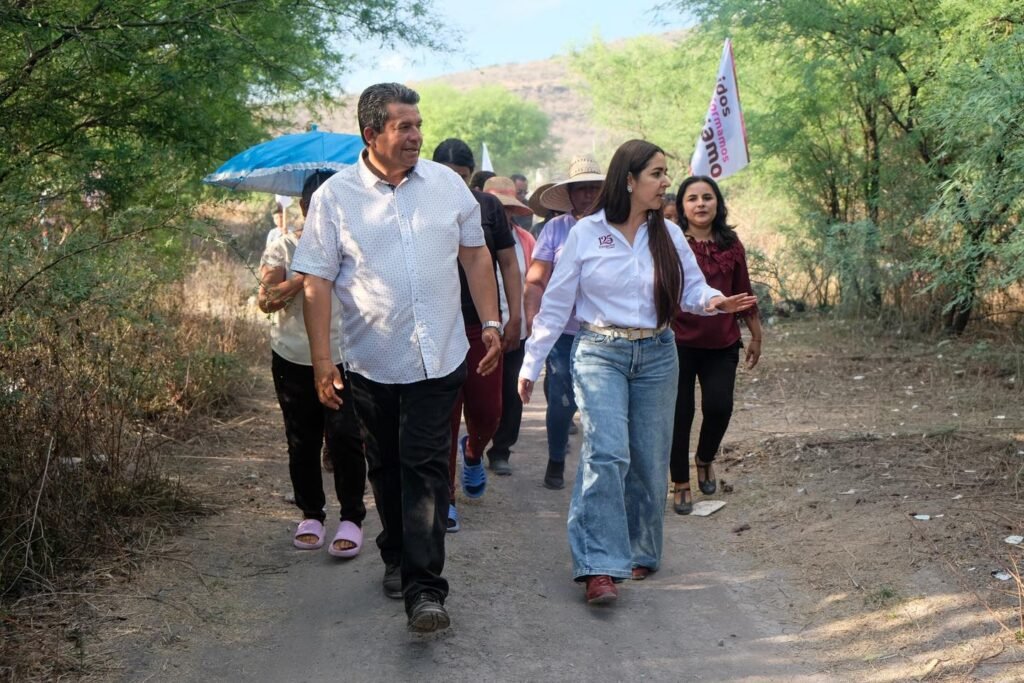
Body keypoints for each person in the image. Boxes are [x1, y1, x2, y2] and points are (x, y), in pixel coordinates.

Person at [292, 82, 502, 633]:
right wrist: (320, 363)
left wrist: (494, 322)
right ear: (372, 135)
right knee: (386, 467)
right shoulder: (336, 198)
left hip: (442, 356)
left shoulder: (448, 188)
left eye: (418, 124)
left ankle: (425, 590)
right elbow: (314, 282)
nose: (416, 136)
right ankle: (394, 553)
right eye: (403, 127)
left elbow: (476, 257)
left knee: (427, 468)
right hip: (371, 361)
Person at [518, 139, 756, 606]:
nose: (667, 182)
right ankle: (598, 565)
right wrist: (532, 363)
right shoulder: (586, 234)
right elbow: (556, 304)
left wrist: (714, 302)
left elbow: (692, 289)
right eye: (657, 174)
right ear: (629, 180)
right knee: (607, 453)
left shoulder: (667, 235)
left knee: (648, 458)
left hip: (658, 352)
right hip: (600, 351)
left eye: (666, 174)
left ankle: (640, 549)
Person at [258, 171, 366, 558]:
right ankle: (312, 515)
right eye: (315, 205)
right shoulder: (283, 247)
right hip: (293, 358)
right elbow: (266, 300)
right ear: (305, 208)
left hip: (346, 356)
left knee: (346, 439)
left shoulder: (355, 246)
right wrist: (303, 276)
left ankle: (352, 517)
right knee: (301, 440)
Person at [431, 139, 521, 532]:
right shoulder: (419, 204)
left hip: (480, 327)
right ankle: (446, 497)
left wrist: (513, 315)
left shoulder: (487, 207)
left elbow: (507, 261)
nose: (455, 184)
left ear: (471, 178)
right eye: (448, 176)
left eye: (463, 178)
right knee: (444, 418)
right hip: (436, 326)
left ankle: (473, 451)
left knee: (489, 414)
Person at [669, 176, 763, 514]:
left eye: (707, 197)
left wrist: (756, 333)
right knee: (680, 415)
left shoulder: (731, 243)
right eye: (692, 198)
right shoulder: (672, 242)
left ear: (718, 203)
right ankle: (679, 481)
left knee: (720, 406)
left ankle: (705, 458)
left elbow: (743, 290)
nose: (700, 204)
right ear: (681, 207)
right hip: (677, 342)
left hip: (722, 341)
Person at [523, 155, 605, 490]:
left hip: (603, 332)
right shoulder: (556, 229)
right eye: (580, 189)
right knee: (560, 400)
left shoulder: (615, 227)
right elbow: (536, 278)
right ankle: (557, 457)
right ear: (570, 195)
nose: (587, 196)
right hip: (563, 332)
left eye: (593, 189)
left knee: (599, 402)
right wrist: (532, 316)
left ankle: (599, 467)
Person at [483, 176, 537, 475]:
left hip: (516, 328)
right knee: (484, 398)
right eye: (495, 208)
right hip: (479, 330)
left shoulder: (525, 240)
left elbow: (531, 283)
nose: (500, 214)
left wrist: (523, 320)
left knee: (511, 393)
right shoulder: (471, 237)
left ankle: (501, 448)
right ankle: (477, 443)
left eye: (506, 209)